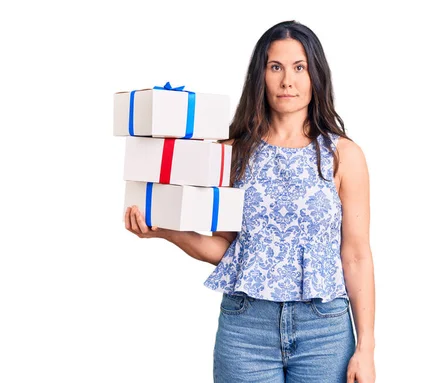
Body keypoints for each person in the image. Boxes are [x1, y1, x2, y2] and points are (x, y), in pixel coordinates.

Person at [124, 20, 375, 383]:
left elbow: (355, 254)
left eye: (299, 67)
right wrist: (164, 231)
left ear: (315, 75)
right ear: (260, 76)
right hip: (246, 330)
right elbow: (226, 249)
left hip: (326, 331)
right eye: (275, 67)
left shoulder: (344, 156)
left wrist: (365, 347)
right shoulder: (231, 154)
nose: (287, 80)